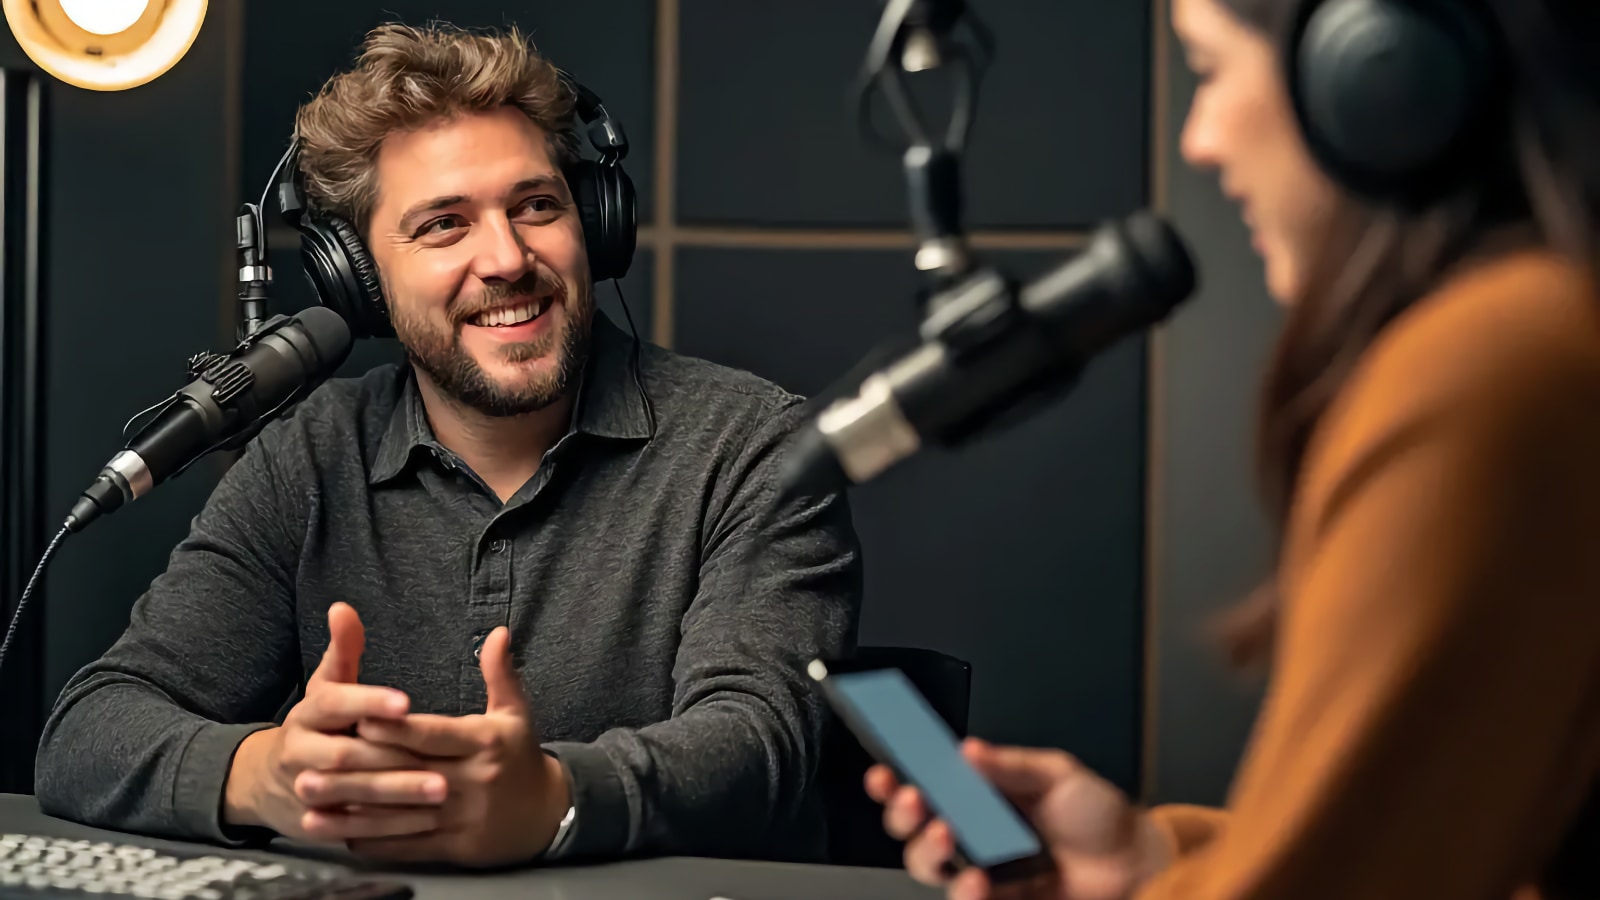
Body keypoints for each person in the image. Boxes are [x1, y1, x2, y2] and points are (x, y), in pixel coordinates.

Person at [34, 21, 863, 869]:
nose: (506, 258)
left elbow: (758, 740)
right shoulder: (307, 458)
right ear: (360, 281)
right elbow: (91, 728)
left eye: (536, 206)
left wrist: (553, 800)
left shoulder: (755, 447)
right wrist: (264, 775)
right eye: (443, 225)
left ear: (594, 222)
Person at [868, 0, 1600, 897]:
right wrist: (1154, 859)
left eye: (1210, 70)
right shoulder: (1545, 333)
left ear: (1371, 65)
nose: (1199, 142)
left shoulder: (1489, 366)